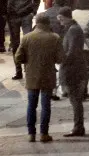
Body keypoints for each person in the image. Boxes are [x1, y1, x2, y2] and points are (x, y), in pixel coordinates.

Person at [15, 13, 63, 142]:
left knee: (31, 105)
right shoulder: (55, 38)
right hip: (48, 75)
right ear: (48, 24)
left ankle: (31, 133)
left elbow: (18, 57)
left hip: (32, 76)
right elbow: (60, 58)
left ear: (36, 23)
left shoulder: (27, 37)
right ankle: (44, 133)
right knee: (45, 105)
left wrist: (28, 61)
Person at [2, 0, 39, 80]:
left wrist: (33, 12)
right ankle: (18, 71)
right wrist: (4, 14)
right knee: (15, 43)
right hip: (12, 16)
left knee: (28, 42)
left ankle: (28, 69)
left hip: (26, 15)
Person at [57, 7, 87, 138]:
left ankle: (78, 127)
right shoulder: (73, 28)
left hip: (73, 70)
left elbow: (72, 51)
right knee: (75, 100)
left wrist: (62, 61)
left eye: (61, 18)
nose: (60, 21)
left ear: (67, 17)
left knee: (75, 100)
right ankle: (78, 126)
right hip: (74, 69)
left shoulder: (73, 30)